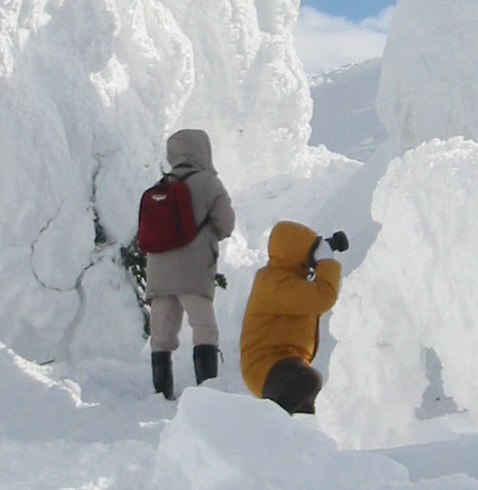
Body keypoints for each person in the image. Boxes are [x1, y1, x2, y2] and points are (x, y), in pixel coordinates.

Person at [145, 128, 235, 400]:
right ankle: (207, 392)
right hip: (193, 272)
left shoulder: (161, 185)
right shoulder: (208, 182)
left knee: (161, 333)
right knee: (204, 327)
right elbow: (226, 223)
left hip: (159, 273)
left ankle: (161, 392)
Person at [240, 222, 345, 415]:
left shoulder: (288, 281)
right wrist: (326, 262)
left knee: (305, 414)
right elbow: (323, 297)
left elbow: (315, 300)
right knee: (308, 381)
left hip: (282, 361)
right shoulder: (274, 283)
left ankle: (293, 441)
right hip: (265, 365)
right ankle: (270, 427)